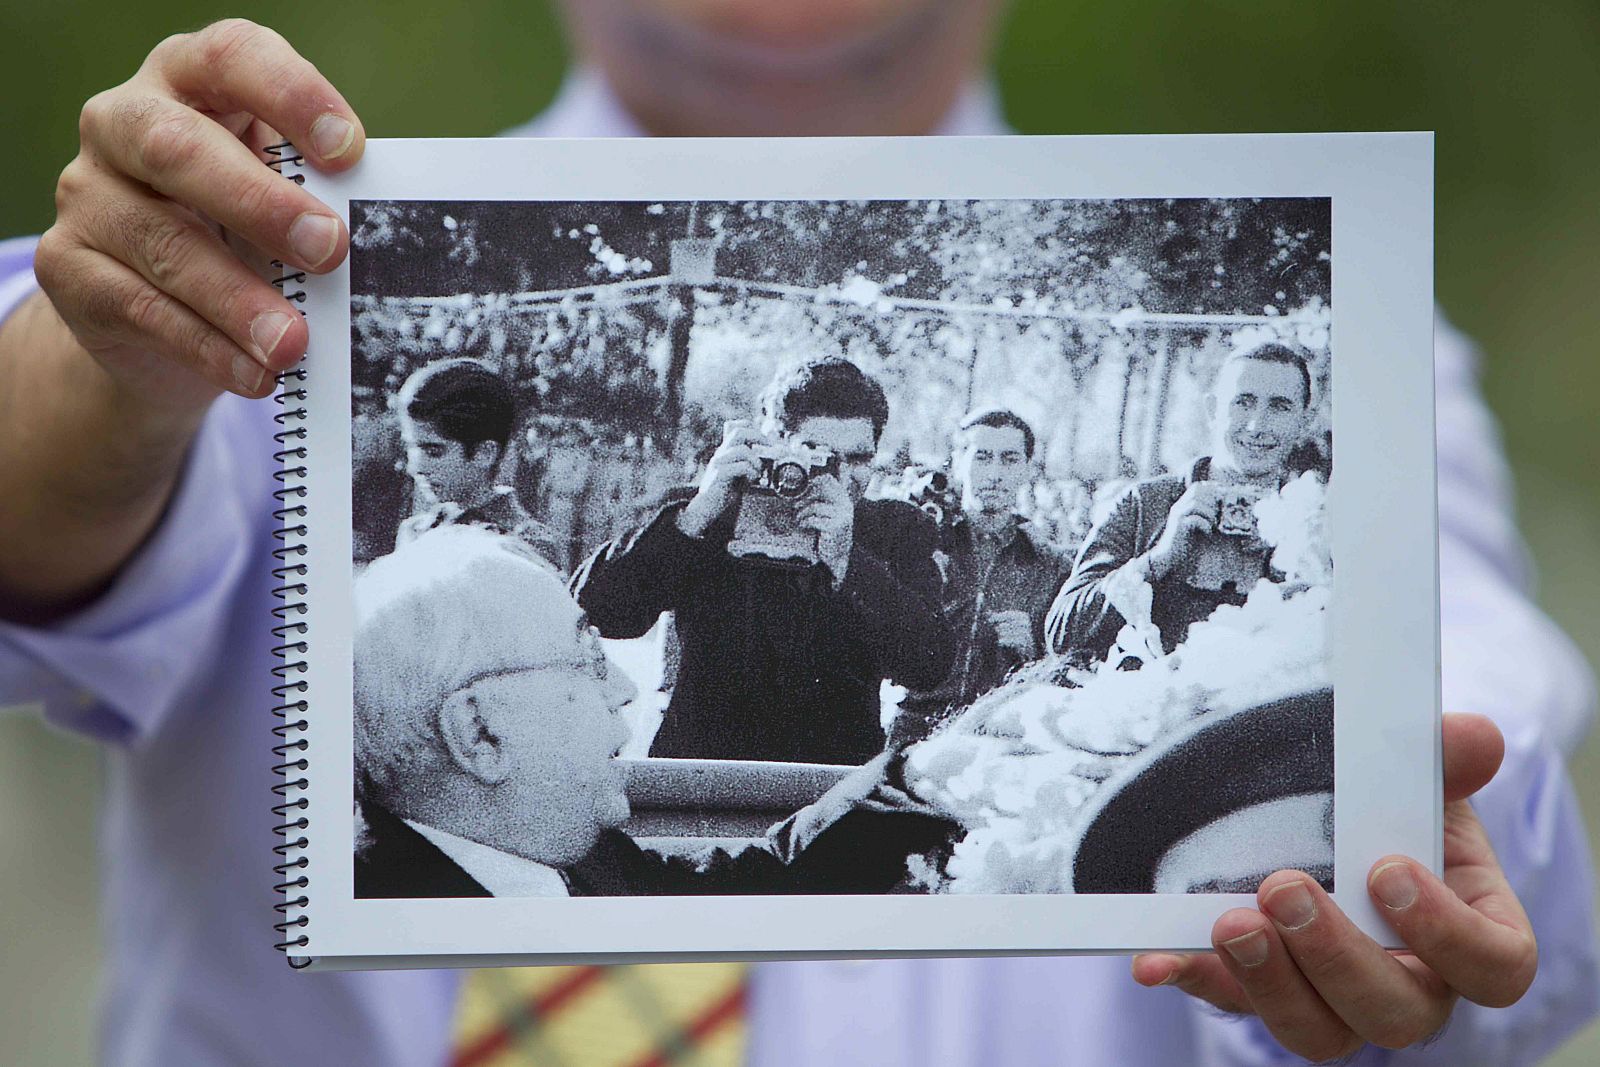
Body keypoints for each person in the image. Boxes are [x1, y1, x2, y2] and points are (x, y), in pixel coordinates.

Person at [0, 4, 1593, 1065]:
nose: (804, 474)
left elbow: (1492, 703)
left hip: (840, 781)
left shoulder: (908, 526)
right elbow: (607, 602)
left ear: (873, 454)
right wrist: (101, 361)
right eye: (791, 452)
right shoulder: (257, 270)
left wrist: (1414, 843)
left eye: (837, 457)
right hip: (673, 765)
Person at [353, 525, 952, 899]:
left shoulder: (590, 859)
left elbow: (771, 874)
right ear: (479, 732)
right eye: (585, 658)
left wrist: (938, 768)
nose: (623, 688)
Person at [572, 357, 954, 764]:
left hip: (830, 781)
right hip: (706, 772)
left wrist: (847, 560)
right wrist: (696, 514)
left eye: (858, 459)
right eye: (818, 454)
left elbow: (930, 664)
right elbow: (597, 611)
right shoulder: (715, 512)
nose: (838, 477)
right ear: (776, 442)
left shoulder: (896, 530)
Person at [1046, 341, 1317, 668]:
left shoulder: (1319, 521)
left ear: (1305, 421)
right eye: (1243, 403)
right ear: (1213, 410)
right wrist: (1159, 558)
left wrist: (1305, 572)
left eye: (1280, 407)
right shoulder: (1146, 503)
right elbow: (1061, 632)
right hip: (1150, 710)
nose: (1256, 425)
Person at [890, 407, 1071, 747]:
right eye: (983, 458)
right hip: (913, 725)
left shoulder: (1051, 565)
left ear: (1027, 469)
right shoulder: (923, 540)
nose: (995, 474)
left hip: (995, 736)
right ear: (958, 463)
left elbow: (1066, 672)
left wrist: (1034, 647)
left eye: (1010, 460)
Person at [391, 357, 561, 566]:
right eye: (410, 448)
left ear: (485, 454)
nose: (415, 467)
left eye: (434, 451)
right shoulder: (415, 531)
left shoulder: (525, 544)